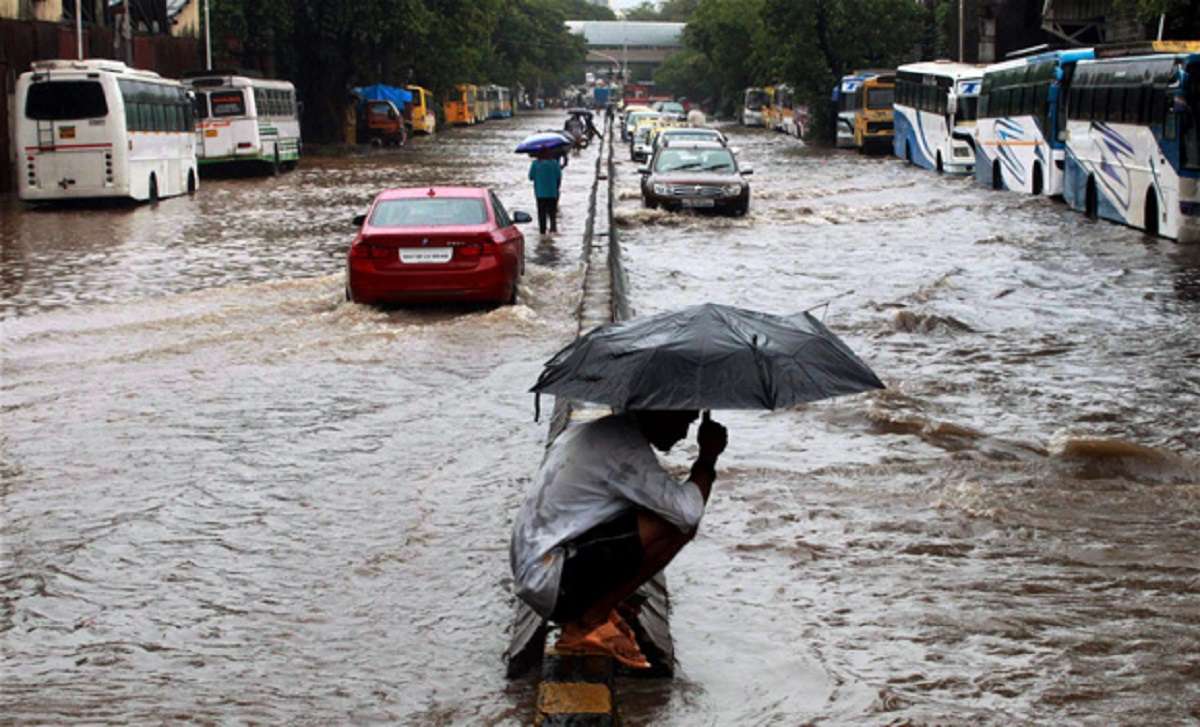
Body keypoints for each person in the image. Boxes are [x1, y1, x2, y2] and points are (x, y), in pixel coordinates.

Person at [510, 410, 728, 668]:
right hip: (551, 582)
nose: (683, 434)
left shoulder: (599, 432)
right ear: (659, 414)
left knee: (653, 510)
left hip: (537, 568)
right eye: (682, 422)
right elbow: (688, 513)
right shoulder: (625, 449)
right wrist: (707, 458)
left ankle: (595, 609)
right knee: (674, 526)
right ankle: (589, 621)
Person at [528, 151, 562, 234]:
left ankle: (542, 232)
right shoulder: (554, 163)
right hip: (552, 193)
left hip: (540, 194)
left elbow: (530, 177)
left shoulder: (535, 164)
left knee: (541, 214)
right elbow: (559, 176)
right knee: (552, 214)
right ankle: (553, 230)